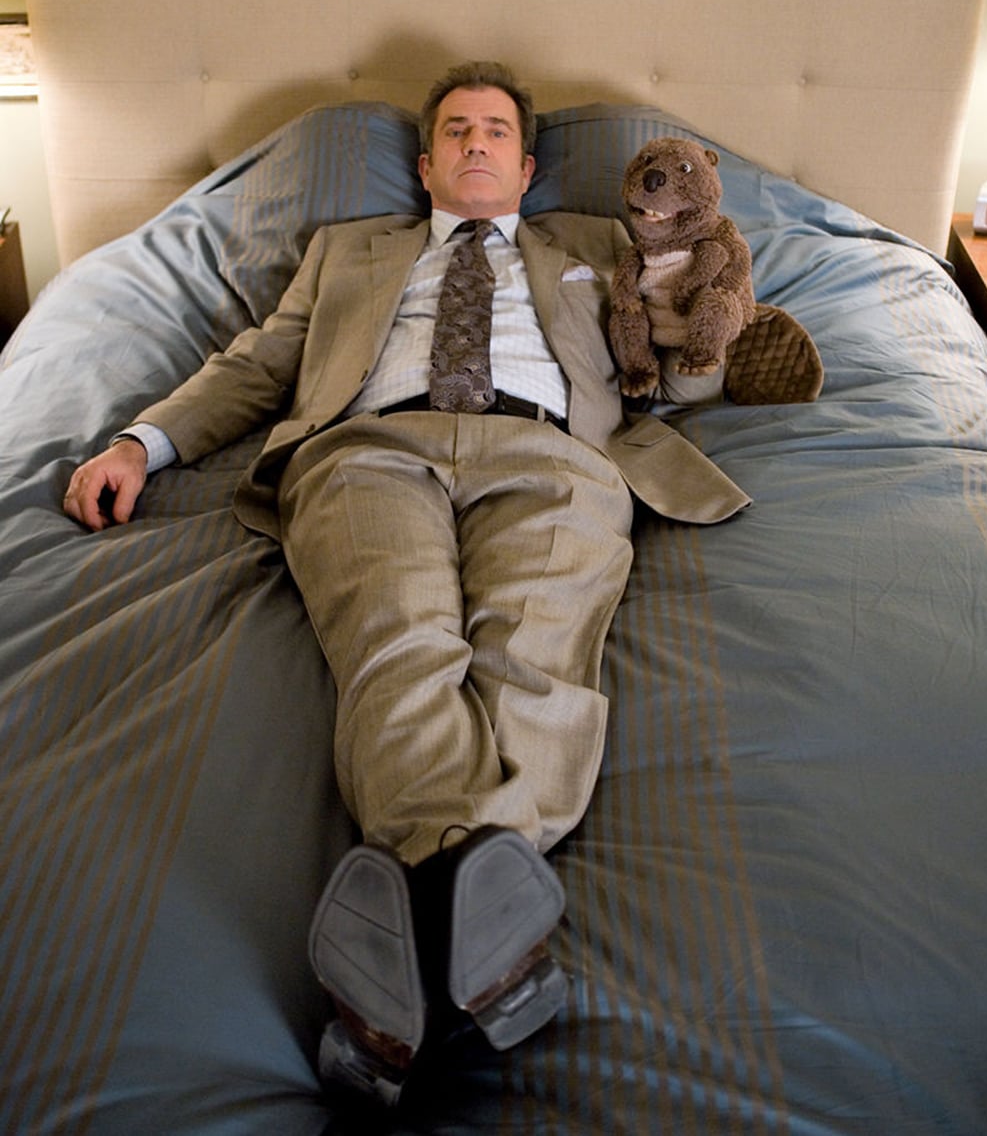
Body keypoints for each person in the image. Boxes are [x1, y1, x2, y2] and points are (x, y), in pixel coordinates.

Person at [63, 61, 749, 1106]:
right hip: (368, 450)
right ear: (425, 165)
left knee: (535, 656)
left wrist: (696, 302)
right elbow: (256, 365)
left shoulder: (599, 243)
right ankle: (490, 950)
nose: (476, 142)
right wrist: (140, 444)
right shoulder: (344, 250)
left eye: (496, 131)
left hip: (554, 455)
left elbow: (687, 374)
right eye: (456, 130)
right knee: (399, 642)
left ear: (527, 167)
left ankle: (408, 970)